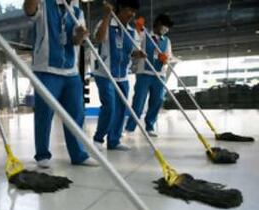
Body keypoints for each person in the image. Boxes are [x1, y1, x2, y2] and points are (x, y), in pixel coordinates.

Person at [23, 0, 99, 168]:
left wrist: (80, 35)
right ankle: (42, 154)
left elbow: (76, 41)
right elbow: (29, 10)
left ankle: (78, 154)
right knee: (44, 113)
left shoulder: (77, 11)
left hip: (70, 71)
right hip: (46, 68)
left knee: (76, 113)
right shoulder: (44, 3)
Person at [92, 0, 145, 151]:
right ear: (121, 8)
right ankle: (98, 138)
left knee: (121, 109)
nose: (132, 15)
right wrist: (107, 16)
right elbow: (98, 38)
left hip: (122, 75)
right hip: (105, 73)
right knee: (109, 106)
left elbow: (130, 51)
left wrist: (138, 54)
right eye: (129, 10)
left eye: (134, 12)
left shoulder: (131, 31)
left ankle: (114, 141)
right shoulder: (106, 23)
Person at [125, 14, 174, 137]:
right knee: (138, 102)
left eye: (167, 28)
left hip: (159, 75)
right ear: (157, 24)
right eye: (165, 26)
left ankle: (150, 126)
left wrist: (166, 59)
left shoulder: (166, 41)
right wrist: (137, 28)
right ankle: (130, 128)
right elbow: (133, 45)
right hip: (144, 74)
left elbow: (169, 57)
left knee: (157, 101)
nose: (166, 29)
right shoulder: (144, 35)